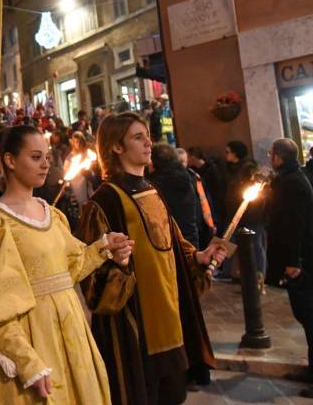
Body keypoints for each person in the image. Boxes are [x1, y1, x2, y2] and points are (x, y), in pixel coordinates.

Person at [0, 125, 133, 404]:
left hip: (72, 330)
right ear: (10, 160)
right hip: (33, 335)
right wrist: (28, 363)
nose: (45, 164)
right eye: (36, 157)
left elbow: (70, 271)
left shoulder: (52, 214)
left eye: (47, 157)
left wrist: (104, 248)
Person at [77, 112, 226, 404]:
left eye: (147, 135)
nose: (149, 142)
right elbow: (89, 278)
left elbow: (174, 244)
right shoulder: (102, 202)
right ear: (116, 147)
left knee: (173, 396)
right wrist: (117, 265)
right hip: (135, 330)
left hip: (170, 320)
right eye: (138, 137)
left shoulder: (152, 189)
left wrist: (198, 256)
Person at [265, 138, 313, 395]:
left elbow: (295, 225)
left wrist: (293, 263)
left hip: (301, 262)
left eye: (270, 153)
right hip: (299, 259)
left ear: (279, 158)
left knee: (309, 316)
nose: (268, 157)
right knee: (306, 316)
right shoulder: (288, 179)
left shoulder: (293, 183)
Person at [224, 140, 266, 279]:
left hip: (251, 214)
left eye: (228, 152)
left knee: (255, 245)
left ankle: (259, 275)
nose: (225, 155)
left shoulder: (248, 168)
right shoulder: (232, 168)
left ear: (235, 153)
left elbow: (257, 186)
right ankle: (227, 272)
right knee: (228, 241)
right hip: (236, 213)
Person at [149, 144, 200, 248]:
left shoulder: (154, 184)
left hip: (169, 243)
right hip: (190, 238)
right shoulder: (188, 177)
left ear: (154, 162)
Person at [177, 148, 217, 248]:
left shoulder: (193, 176)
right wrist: (211, 223)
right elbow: (205, 200)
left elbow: (204, 199)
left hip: (195, 226)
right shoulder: (193, 176)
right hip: (197, 225)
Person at [187, 146, 226, 229]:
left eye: (188, 156)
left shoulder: (212, 170)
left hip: (215, 207)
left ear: (193, 157)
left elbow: (218, 190)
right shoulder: (193, 171)